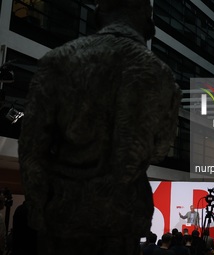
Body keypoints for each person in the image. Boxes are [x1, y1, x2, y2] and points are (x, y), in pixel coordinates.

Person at [18, 0, 181, 254]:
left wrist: (39, 213)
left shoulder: (57, 61)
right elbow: (159, 149)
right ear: (147, 21)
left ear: (99, 14)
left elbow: (31, 148)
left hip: (63, 215)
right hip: (122, 219)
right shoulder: (160, 73)